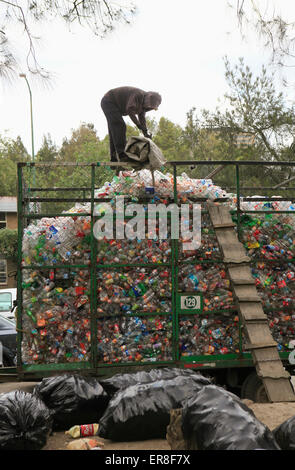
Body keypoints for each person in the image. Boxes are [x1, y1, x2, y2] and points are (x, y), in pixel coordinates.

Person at [101, 86, 162, 163]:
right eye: (149, 106)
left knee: (114, 130)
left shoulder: (144, 105)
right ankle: (122, 155)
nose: (148, 108)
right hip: (109, 101)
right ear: (147, 99)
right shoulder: (137, 94)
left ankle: (114, 158)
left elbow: (142, 118)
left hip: (115, 106)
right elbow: (129, 109)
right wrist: (138, 124)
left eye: (151, 108)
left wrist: (145, 132)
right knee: (120, 126)